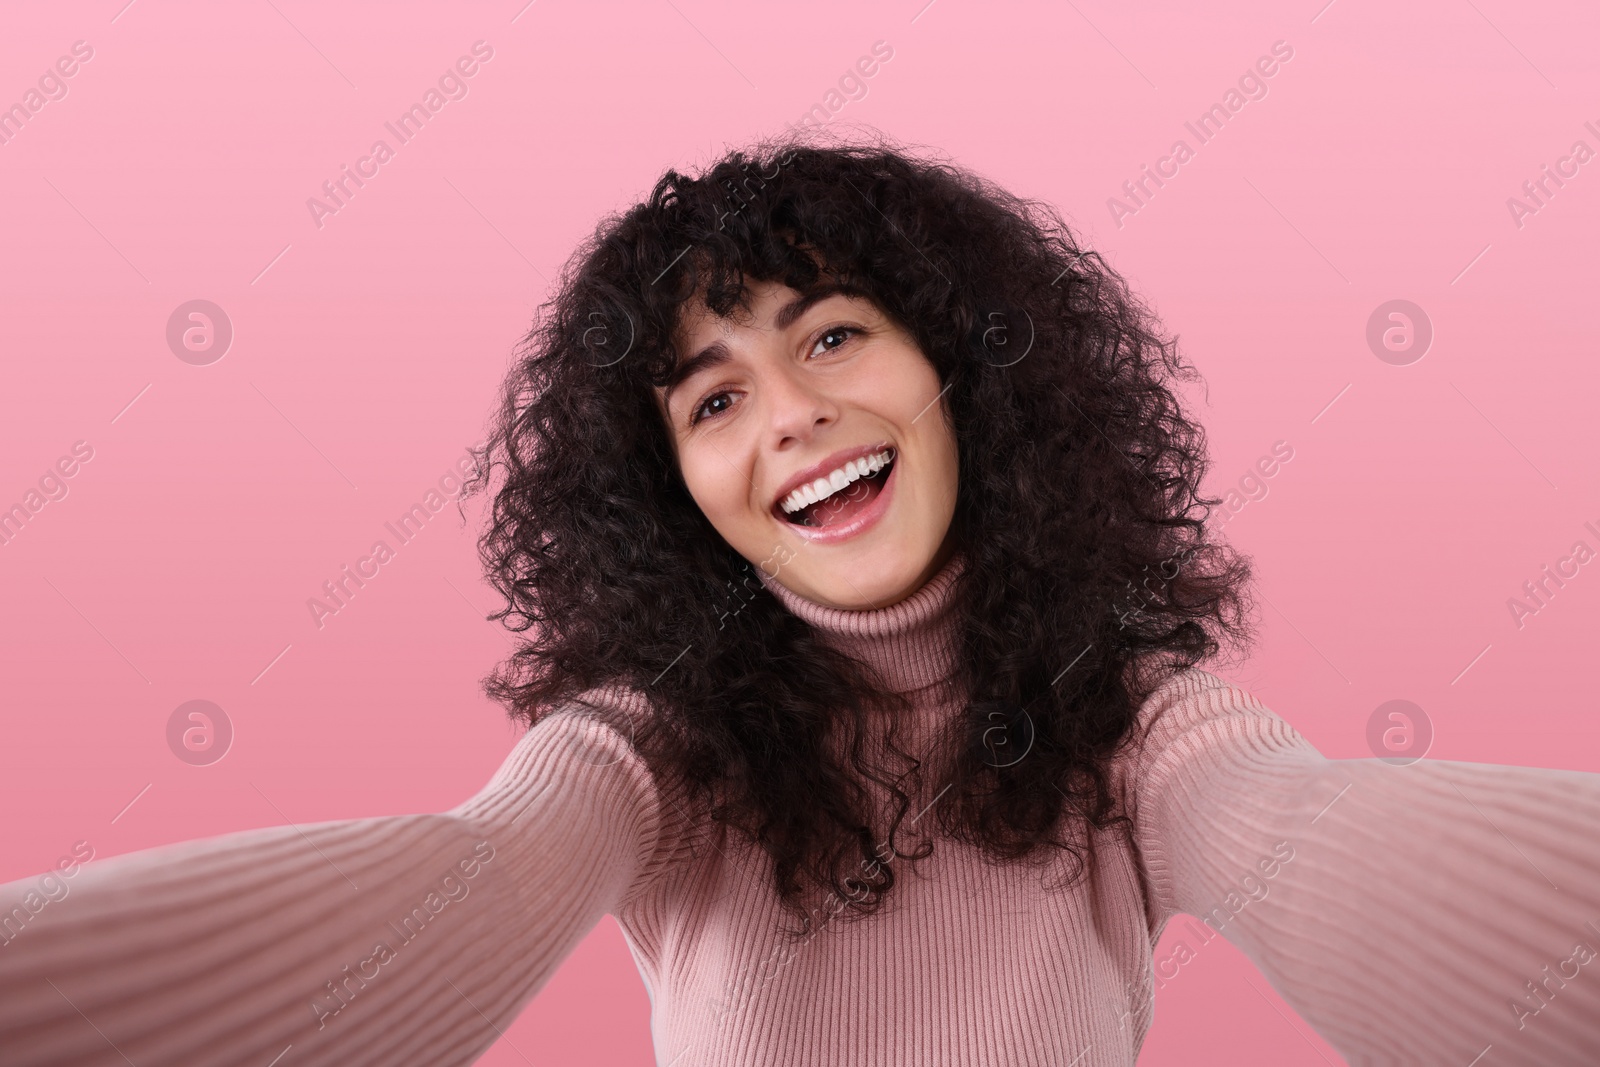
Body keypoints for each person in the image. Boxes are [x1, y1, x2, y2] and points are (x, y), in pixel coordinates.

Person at [3, 132, 1599, 1067]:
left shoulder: (1137, 714)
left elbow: (1302, 839)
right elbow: (470, 889)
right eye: (711, 401)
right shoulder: (652, 750)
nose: (786, 418)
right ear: (675, 496)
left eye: (832, 338)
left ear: (960, 368)